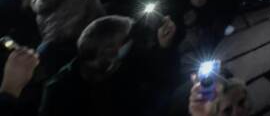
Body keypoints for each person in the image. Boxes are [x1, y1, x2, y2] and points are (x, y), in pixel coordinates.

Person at [39, 13, 178, 116]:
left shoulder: (126, 64)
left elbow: (159, 84)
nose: (131, 41)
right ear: (108, 51)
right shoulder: (59, 91)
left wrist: (165, 47)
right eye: (126, 39)